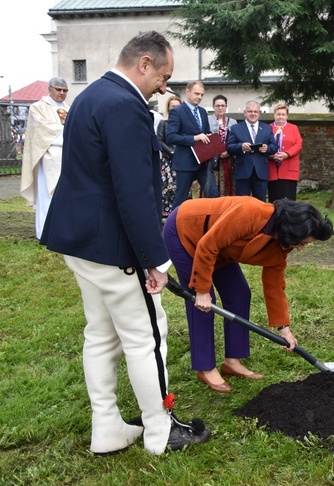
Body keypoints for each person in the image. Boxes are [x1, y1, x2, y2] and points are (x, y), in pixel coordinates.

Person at [40, 31, 211, 455]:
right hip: (114, 247)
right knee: (146, 336)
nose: (165, 86)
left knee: (100, 334)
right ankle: (160, 429)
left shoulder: (91, 95)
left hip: (80, 241)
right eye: (164, 75)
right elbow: (134, 191)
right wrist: (155, 258)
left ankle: (108, 428)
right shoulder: (125, 105)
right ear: (144, 64)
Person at [163, 196, 333, 392]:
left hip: (222, 250)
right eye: (302, 242)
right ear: (290, 230)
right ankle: (205, 367)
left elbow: (275, 284)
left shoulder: (283, 245)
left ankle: (232, 362)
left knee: (239, 294)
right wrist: (201, 290)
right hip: (186, 232)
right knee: (204, 302)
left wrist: (283, 327)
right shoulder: (250, 213)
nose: (301, 248)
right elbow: (208, 244)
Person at [20, 77, 70, 239]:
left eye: (64, 90)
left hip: (68, 158)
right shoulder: (38, 108)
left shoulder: (70, 108)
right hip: (47, 158)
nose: (62, 93)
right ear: (49, 89)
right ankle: (44, 233)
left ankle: (63, 231)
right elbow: (42, 130)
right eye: (58, 89)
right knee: (46, 195)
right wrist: (69, 132)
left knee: (66, 196)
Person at [166, 81, 219, 210]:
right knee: (181, 198)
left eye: (202, 94)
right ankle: (173, 228)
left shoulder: (202, 112)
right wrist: (194, 138)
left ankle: (211, 226)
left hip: (203, 162)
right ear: (187, 91)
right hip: (185, 162)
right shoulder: (177, 112)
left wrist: (214, 140)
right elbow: (170, 136)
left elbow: (205, 133)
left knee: (213, 195)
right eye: (197, 93)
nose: (199, 97)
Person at [227, 100, 278, 201]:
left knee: (260, 203)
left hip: (260, 172)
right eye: (250, 111)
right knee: (241, 203)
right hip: (243, 171)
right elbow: (229, 147)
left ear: (259, 113)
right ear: (245, 113)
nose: (253, 114)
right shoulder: (236, 128)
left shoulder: (267, 128)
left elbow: (274, 146)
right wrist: (241, 146)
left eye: (255, 111)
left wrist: (267, 148)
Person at [268, 104, 303, 201]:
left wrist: (286, 154)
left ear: (287, 116)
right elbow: (264, 144)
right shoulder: (268, 128)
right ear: (274, 115)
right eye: (278, 114)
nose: (280, 117)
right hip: (272, 168)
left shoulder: (294, 128)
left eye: (283, 114)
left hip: (289, 168)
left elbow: (298, 144)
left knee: (289, 200)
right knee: (274, 200)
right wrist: (271, 155)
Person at [157, 95, 182, 218]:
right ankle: (167, 216)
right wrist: (171, 152)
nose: (175, 109)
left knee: (181, 188)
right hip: (168, 160)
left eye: (178, 106)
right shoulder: (164, 123)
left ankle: (180, 214)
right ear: (168, 108)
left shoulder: (184, 124)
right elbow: (159, 140)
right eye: (173, 106)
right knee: (167, 188)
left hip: (182, 160)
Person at [208, 94, 237, 196]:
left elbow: (235, 139)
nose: (220, 108)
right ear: (213, 107)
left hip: (228, 159)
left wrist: (228, 151)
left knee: (229, 185)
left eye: (223, 105)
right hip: (212, 159)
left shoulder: (233, 122)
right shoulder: (207, 121)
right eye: (218, 105)